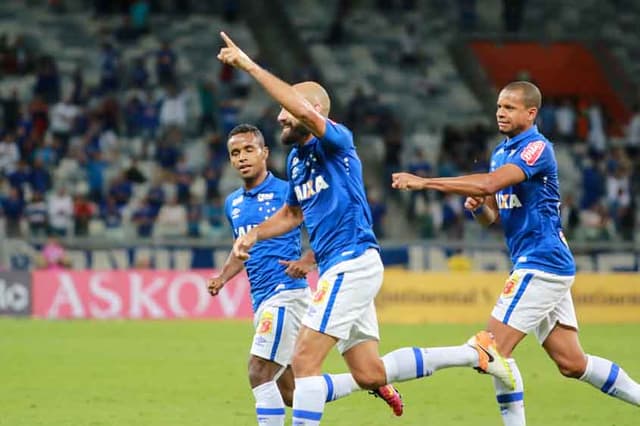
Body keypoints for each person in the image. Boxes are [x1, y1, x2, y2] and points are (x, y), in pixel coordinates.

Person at [217, 32, 514, 425]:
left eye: (287, 112)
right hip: (340, 268)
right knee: (369, 374)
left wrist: (250, 65)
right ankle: (475, 353)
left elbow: (301, 113)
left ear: (312, 110)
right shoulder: (295, 161)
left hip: (351, 262)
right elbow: (291, 215)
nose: (279, 117)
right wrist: (254, 234)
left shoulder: (337, 140)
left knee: (304, 361)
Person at [391, 81, 640, 425]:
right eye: (498, 106)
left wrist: (426, 182)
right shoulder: (500, 153)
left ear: (531, 112)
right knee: (571, 363)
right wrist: (479, 209)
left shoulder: (537, 148)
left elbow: (490, 185)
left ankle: (390, 369)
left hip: (543, 261)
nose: (500, 113)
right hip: (537, 261)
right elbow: (494, 217)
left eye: (509, 107)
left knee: (489, 349)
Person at [207, 124, 397, 425]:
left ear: (264, 153)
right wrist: (223, 276)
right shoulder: (233, 204)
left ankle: (373, 380)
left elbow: (325, 228)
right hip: (262, 298)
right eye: (235, 153)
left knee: (258, 372)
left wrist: (309, 259)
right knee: (291, 393)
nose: (242, 157)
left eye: (248, 150)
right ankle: (371, 381)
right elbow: (242, 249)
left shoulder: (287, 190)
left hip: (287, 294)